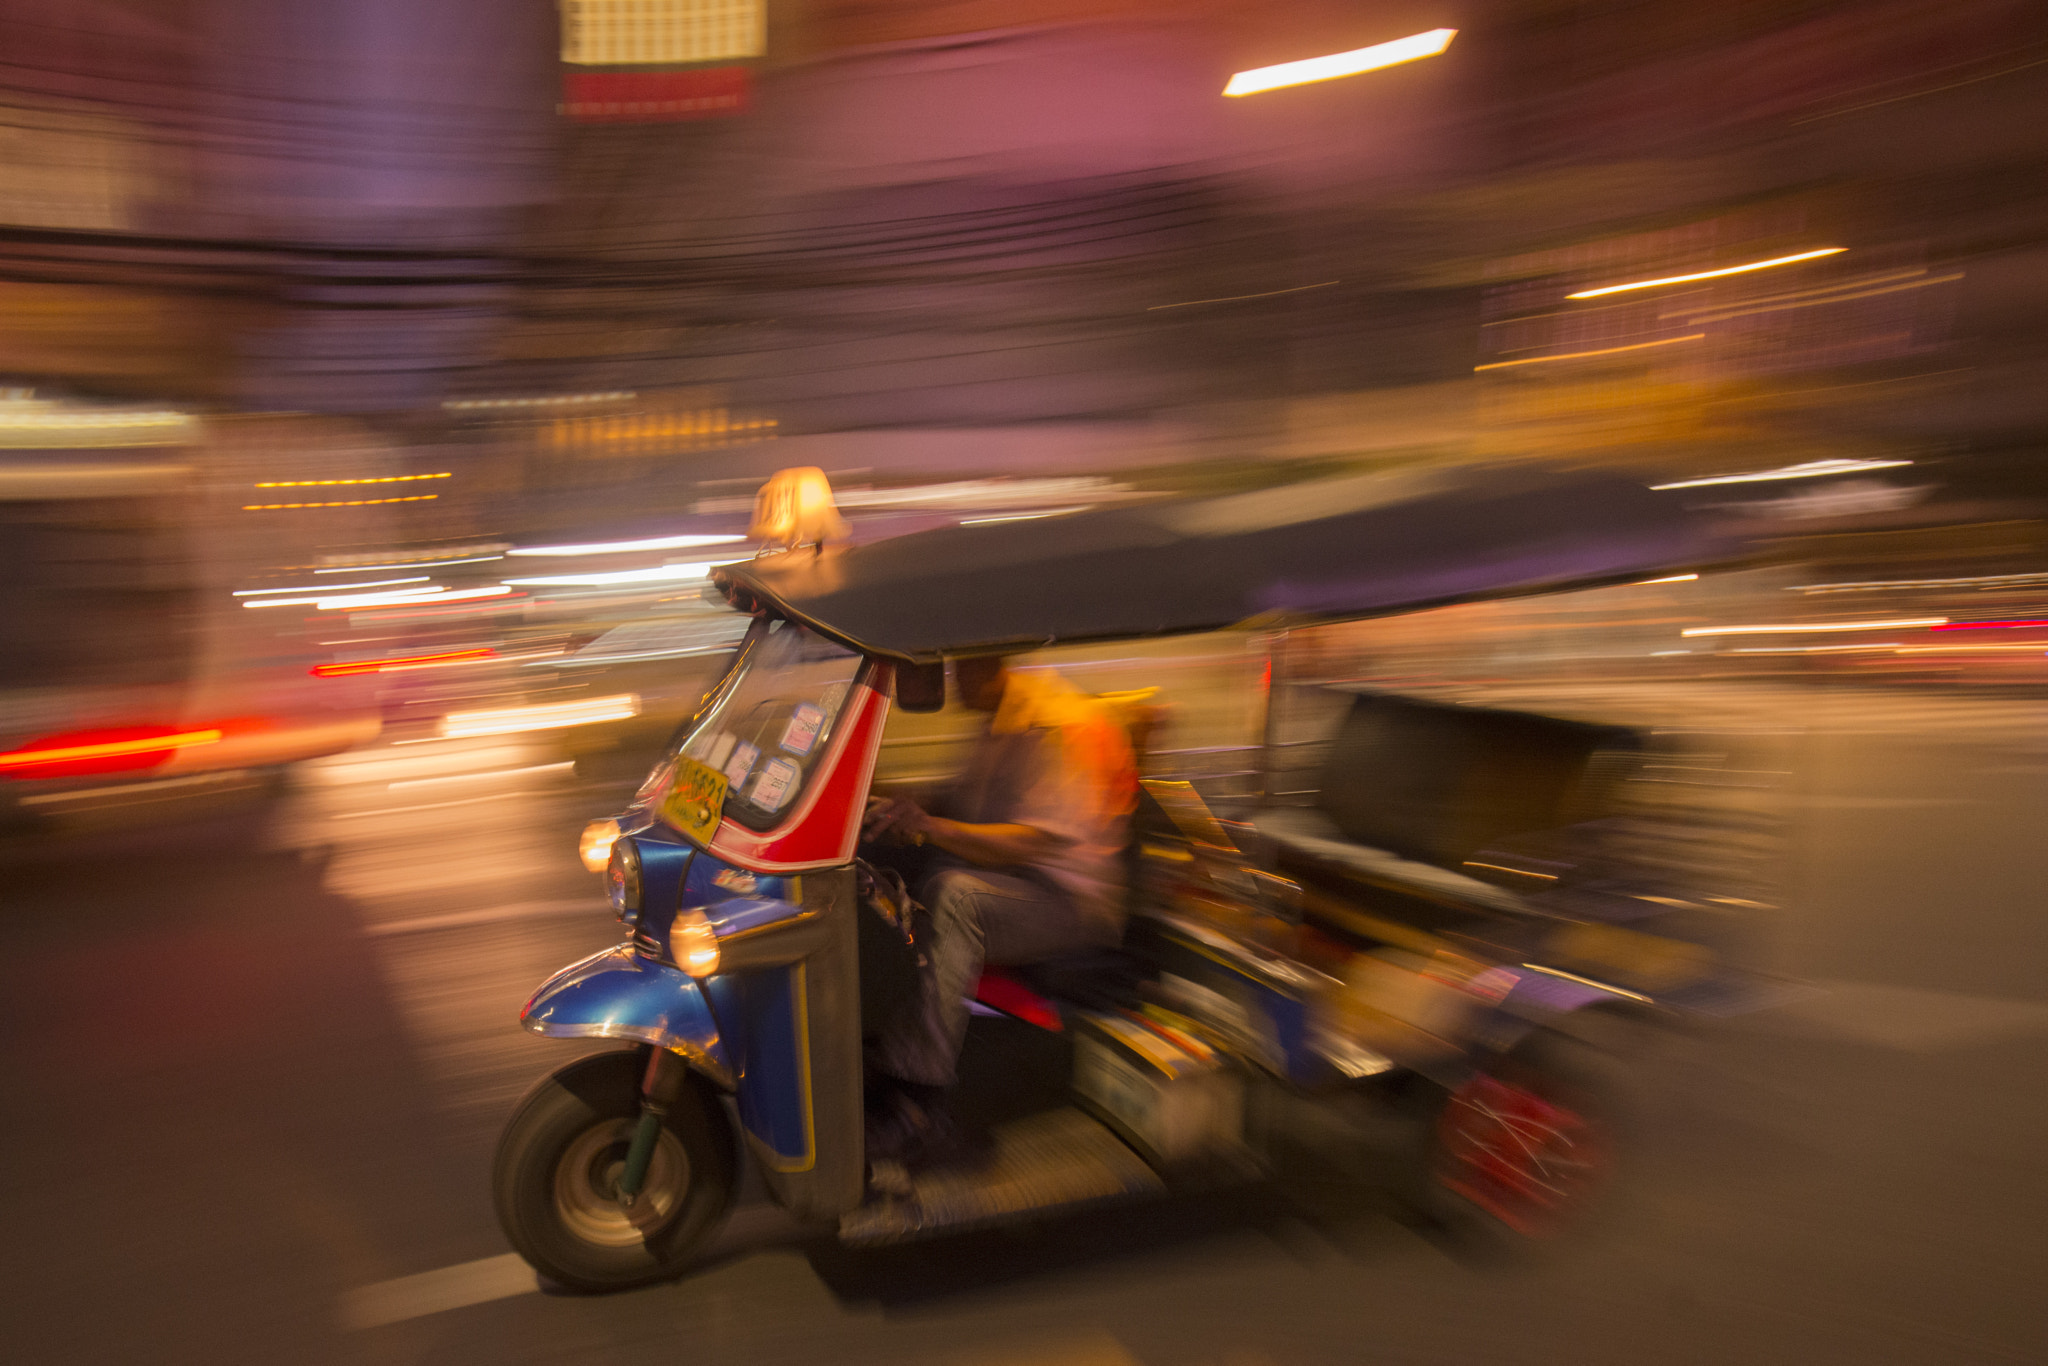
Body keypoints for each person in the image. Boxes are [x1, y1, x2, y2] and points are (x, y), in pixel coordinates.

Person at [861, 654, 1137, 1167]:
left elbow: (1030, 842)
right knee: (890, 881)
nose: (948, 680)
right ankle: (878, 1055)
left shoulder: (1057, 724)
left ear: (989, 660)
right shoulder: (998, 722)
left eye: (956, 665)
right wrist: (886, 801)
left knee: (955, 895)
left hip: (1067, 901)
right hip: (1014, 884)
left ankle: (919, 1104)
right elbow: (958, 804)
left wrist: (933, 826)